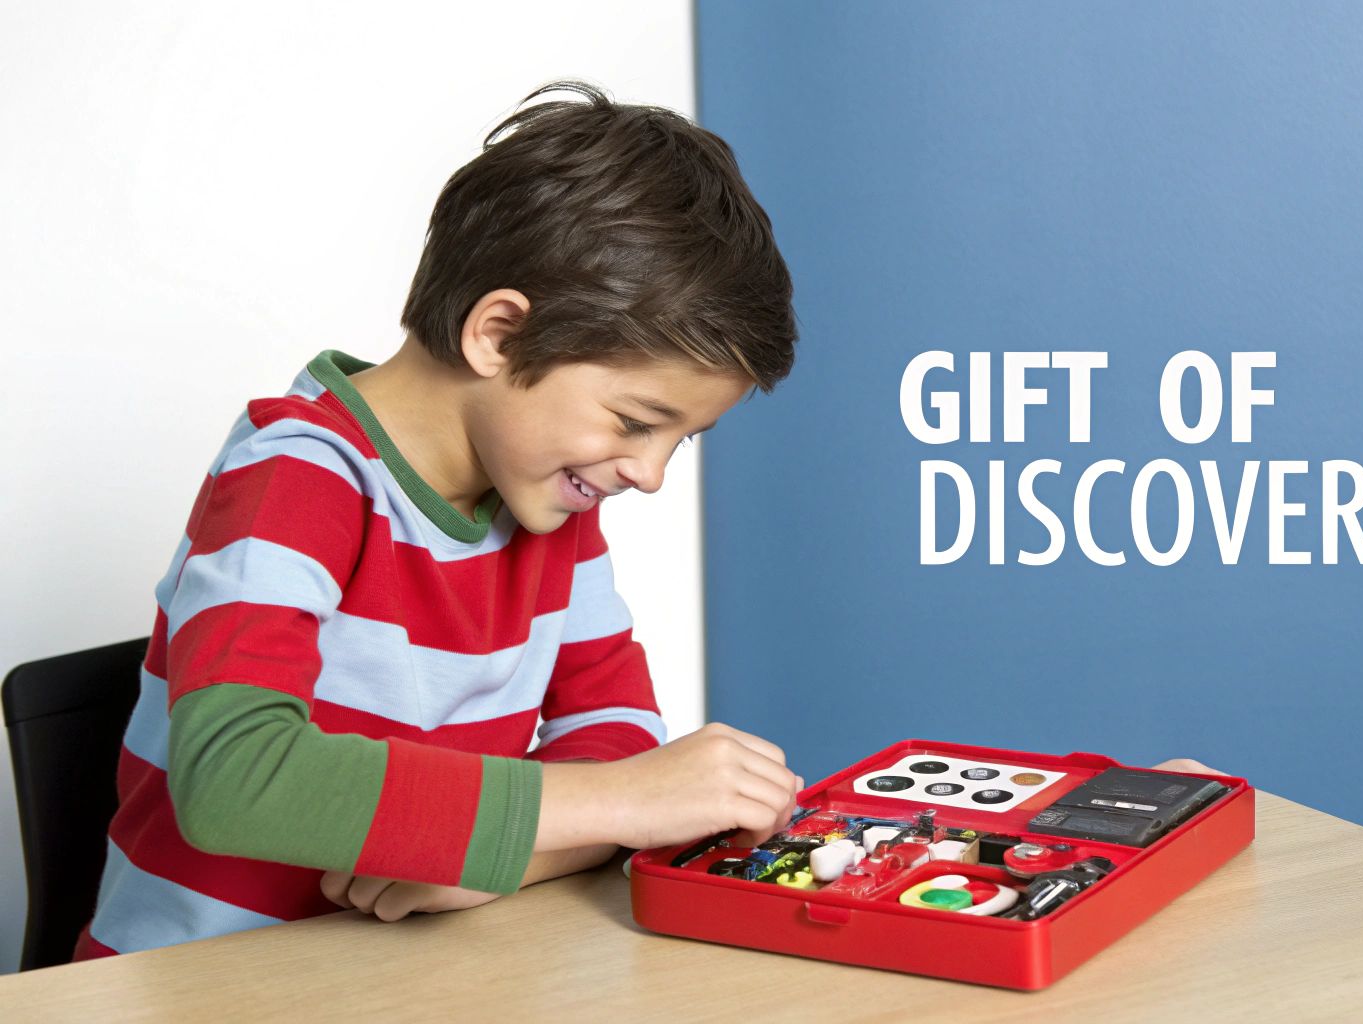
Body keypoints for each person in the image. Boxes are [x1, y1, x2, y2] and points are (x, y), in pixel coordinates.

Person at [73, 79, 1223, 960]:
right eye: (635, 419)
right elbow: (234, 778)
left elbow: (612, 741)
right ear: (498, 334)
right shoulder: (297, 475)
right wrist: (608, 806)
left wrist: (495, 863)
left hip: (408, 971)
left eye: (683, 438)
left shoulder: (544, 507)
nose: (651, 474)